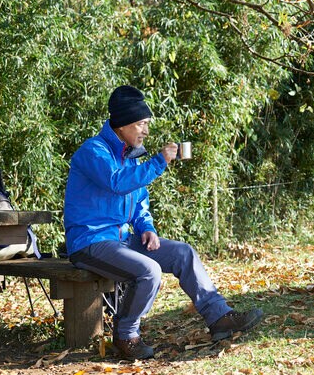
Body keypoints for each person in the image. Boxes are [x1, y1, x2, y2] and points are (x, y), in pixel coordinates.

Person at [64, 85, 263, 360]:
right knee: (149, 270)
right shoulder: (93, 151)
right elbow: (117, 183)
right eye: (141, 124)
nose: (145, 130)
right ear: (122, 125)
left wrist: (147, 228)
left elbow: (139, 202)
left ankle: (221, 318)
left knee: (183, 252)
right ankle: (125, 336)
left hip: (121, 239)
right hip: (90, 241)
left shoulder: (132, 157)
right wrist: (159, 162)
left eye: (146, 124)